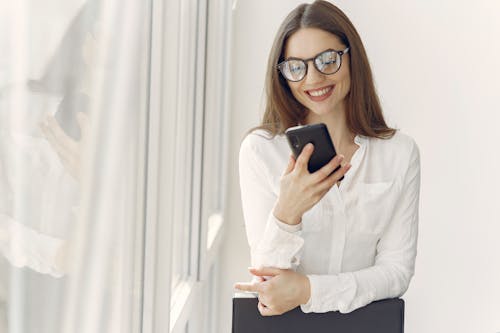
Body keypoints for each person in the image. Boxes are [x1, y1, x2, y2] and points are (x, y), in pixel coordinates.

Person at [234, 0, 420, 317]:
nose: (313, 78)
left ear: (351, 58)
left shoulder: (399, 153)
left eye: (327, 60)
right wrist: (287, 213)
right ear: (283, 74)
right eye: (296, 66)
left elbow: (396, 273)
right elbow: (267, 283)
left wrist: (309, 290)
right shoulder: (260, 151)